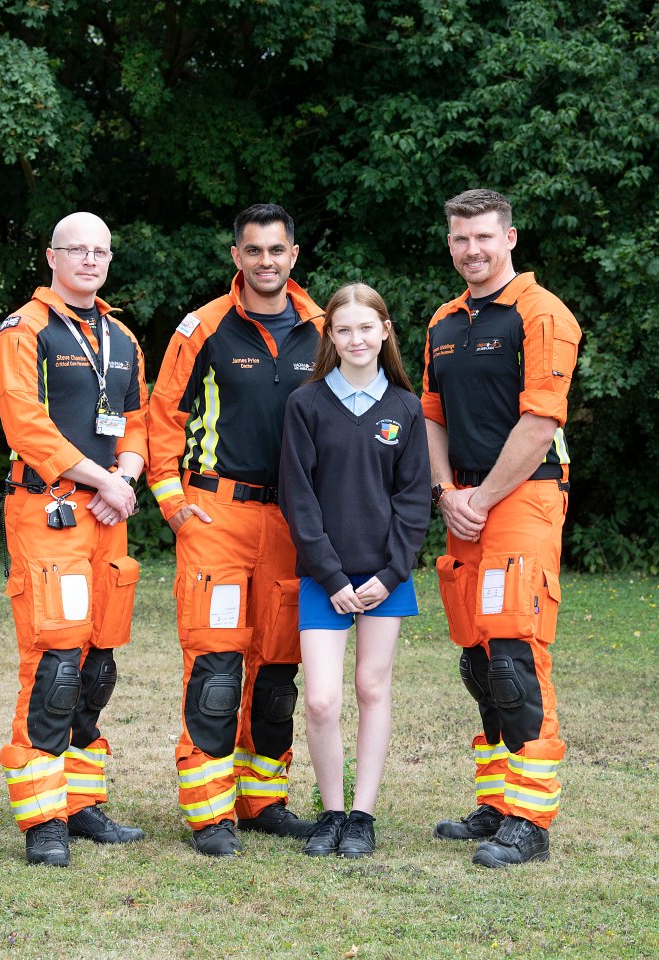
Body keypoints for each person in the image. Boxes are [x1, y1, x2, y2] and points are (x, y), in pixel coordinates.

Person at [147, 204, 324, 856]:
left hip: (292, 523)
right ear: (236, 257)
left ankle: (263, 801)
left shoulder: (323, 329)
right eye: (254, 251)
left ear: (293, 255)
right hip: (216, 516)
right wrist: (170, 500)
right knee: (218, 669)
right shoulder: (204, 328)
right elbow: (162, 414)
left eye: (277, 250)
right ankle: (211, 814)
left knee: (277, 671)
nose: (267, 261)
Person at [422, 189, 581, 867]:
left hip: (522, 502)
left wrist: (481, 496)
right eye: (461, 239)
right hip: (466, 508)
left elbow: (540, 423)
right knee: (480, 661)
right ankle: (494, 801)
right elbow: (432, 415)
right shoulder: (444, 320)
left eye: (484, 237)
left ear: (510, 237)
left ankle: (530, 819)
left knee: (515, 658)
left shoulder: (543, 314)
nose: (472, 250)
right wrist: (444, 492)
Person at [0, 211, 148, 867]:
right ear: (51, 258)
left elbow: (138, 421)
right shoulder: (22, 329)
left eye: (100, 250)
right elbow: (25, 425)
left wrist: (128, 476)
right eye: (76, 249)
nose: (89, 260)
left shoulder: (121, 336)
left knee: (97, 665)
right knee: (56, 664)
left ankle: (82, 805)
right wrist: (101, 481)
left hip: (107, 516)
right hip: (47, 509)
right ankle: (43, 819)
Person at [279, 283, 431, 858]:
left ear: (385, 331)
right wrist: (334, 577)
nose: (356, 338)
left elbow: (413, 502)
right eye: (344, 330)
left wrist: (390, 575)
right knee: (320, 699)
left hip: (384, 577)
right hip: (326, 578)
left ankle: (362, 815)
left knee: (371, 687)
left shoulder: (405, 408)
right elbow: (300, 499)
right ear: (330, 338)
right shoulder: (307, 404)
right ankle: (331, 811)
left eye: (367, 327)